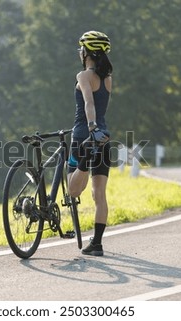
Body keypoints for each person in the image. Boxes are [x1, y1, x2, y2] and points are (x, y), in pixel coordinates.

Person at [68, 31, 113, 256]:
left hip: (83, 136)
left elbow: (88, 103)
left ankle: (83, 163)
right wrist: (98, 130)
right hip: (103, 139)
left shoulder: (84, 76)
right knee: (99, 194)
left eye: (81, 49)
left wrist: (91, 127)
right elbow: (101, 104)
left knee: (73, 191)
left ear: (86, 52)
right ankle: (97, 243)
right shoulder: (107, 79)